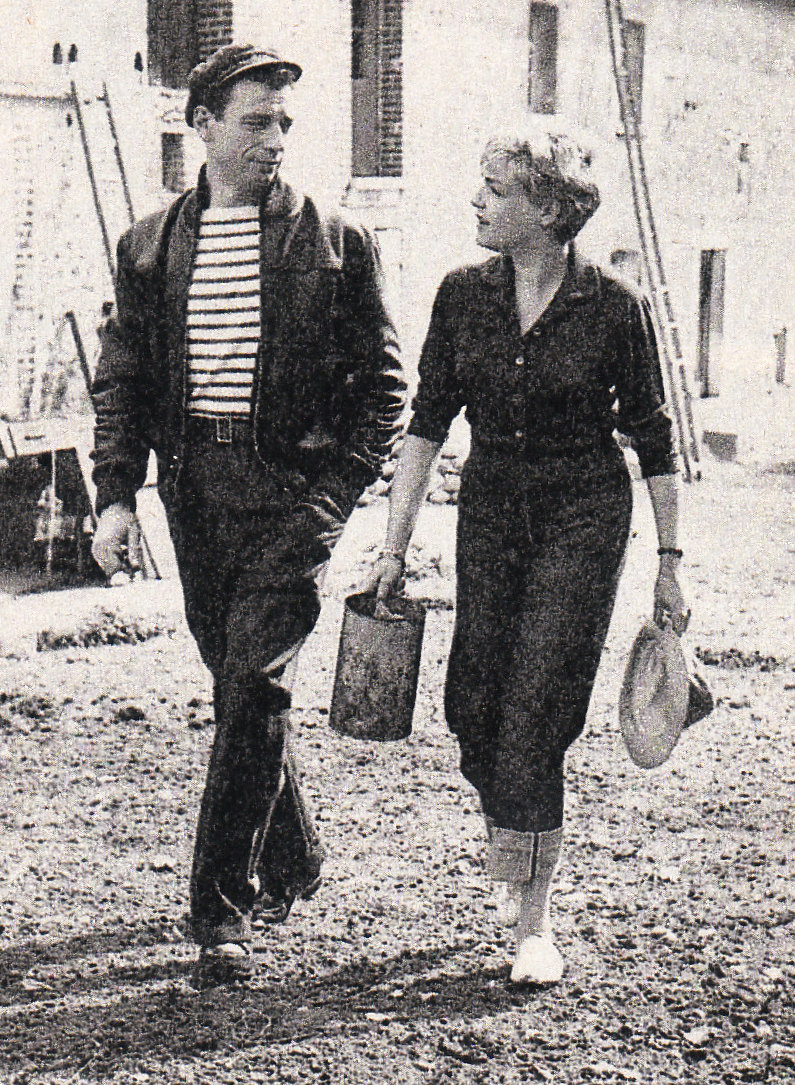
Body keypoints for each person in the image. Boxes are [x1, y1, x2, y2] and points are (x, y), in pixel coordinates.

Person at [91, 43, 405, 979]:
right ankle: (294, 855)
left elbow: (385, 389)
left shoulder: (335, 241)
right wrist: (116, 495)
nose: (275, 140)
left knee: (254, 685)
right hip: (195, 497)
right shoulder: (149, 245)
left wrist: (331, 500)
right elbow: (123, 380)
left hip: (289, 502)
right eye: (256, 121)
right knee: (241, 691)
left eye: (284, 124)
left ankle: (219, 914)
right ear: (204, 126)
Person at [364, 124, 689, 985]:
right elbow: (426, 423)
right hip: (491, 514)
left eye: (496, 188)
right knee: (474, 710)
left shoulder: (614, 305)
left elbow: (655, 439)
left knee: (536, 709)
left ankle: (533, 924)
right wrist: (393, 548)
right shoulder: (460, 295)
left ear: (547, 209)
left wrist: (669, 561)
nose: (476, 199)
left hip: (582, 515)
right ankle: (518, 845)